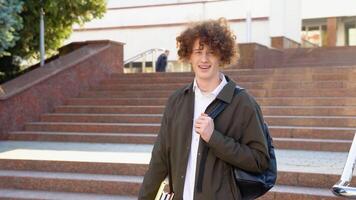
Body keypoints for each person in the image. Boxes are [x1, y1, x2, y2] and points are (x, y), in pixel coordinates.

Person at [139, 18, 270, 200]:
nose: (204, 59)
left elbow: (260, 161)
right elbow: (159, 161)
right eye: (198, 51)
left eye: (211, 52)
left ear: (222, 56)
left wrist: (214, 138)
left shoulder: (243, 103)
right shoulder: (177, 101)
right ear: (189, 56)